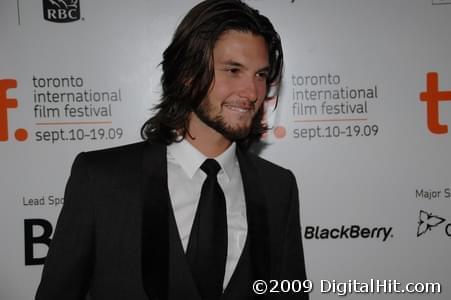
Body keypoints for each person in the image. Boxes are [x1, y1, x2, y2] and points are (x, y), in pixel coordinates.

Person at [35, 0, 308, 299]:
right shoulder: (101, 179)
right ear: (187, 73)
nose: (252, 92)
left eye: (261, 75)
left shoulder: (278, 188)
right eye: (233, 70)